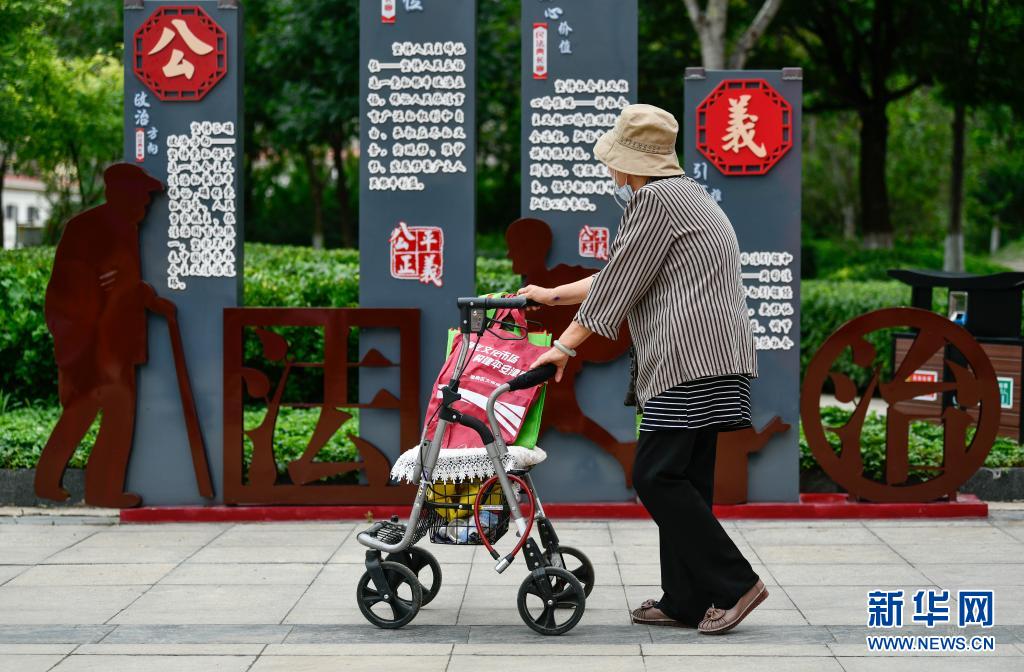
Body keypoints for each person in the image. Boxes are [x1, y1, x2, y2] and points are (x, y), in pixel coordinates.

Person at [521, 104, 768, 634]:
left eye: (614, 157)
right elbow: (624, 270)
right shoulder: (688, 195)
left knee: (655, 476)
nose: (610, 167)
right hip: (715, 355)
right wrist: (553, 295)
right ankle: (685, 599)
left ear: (630, 162)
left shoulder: (654, 201)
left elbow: (618, 284)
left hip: (689, 357)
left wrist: (563, 347)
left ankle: (736, 583)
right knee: (685, 479)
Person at [36, 163, 170, 508]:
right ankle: (73, 485)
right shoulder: (87, 228)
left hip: (118, 344)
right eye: (141, 196)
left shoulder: (125, 229)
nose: (146, 204)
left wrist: (147, 298)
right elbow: (69, 287)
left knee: (110, 416)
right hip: (94, 345)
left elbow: (125, 285)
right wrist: (97, 287)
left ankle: (89, 488)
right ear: (122, 195)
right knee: (95, 412)